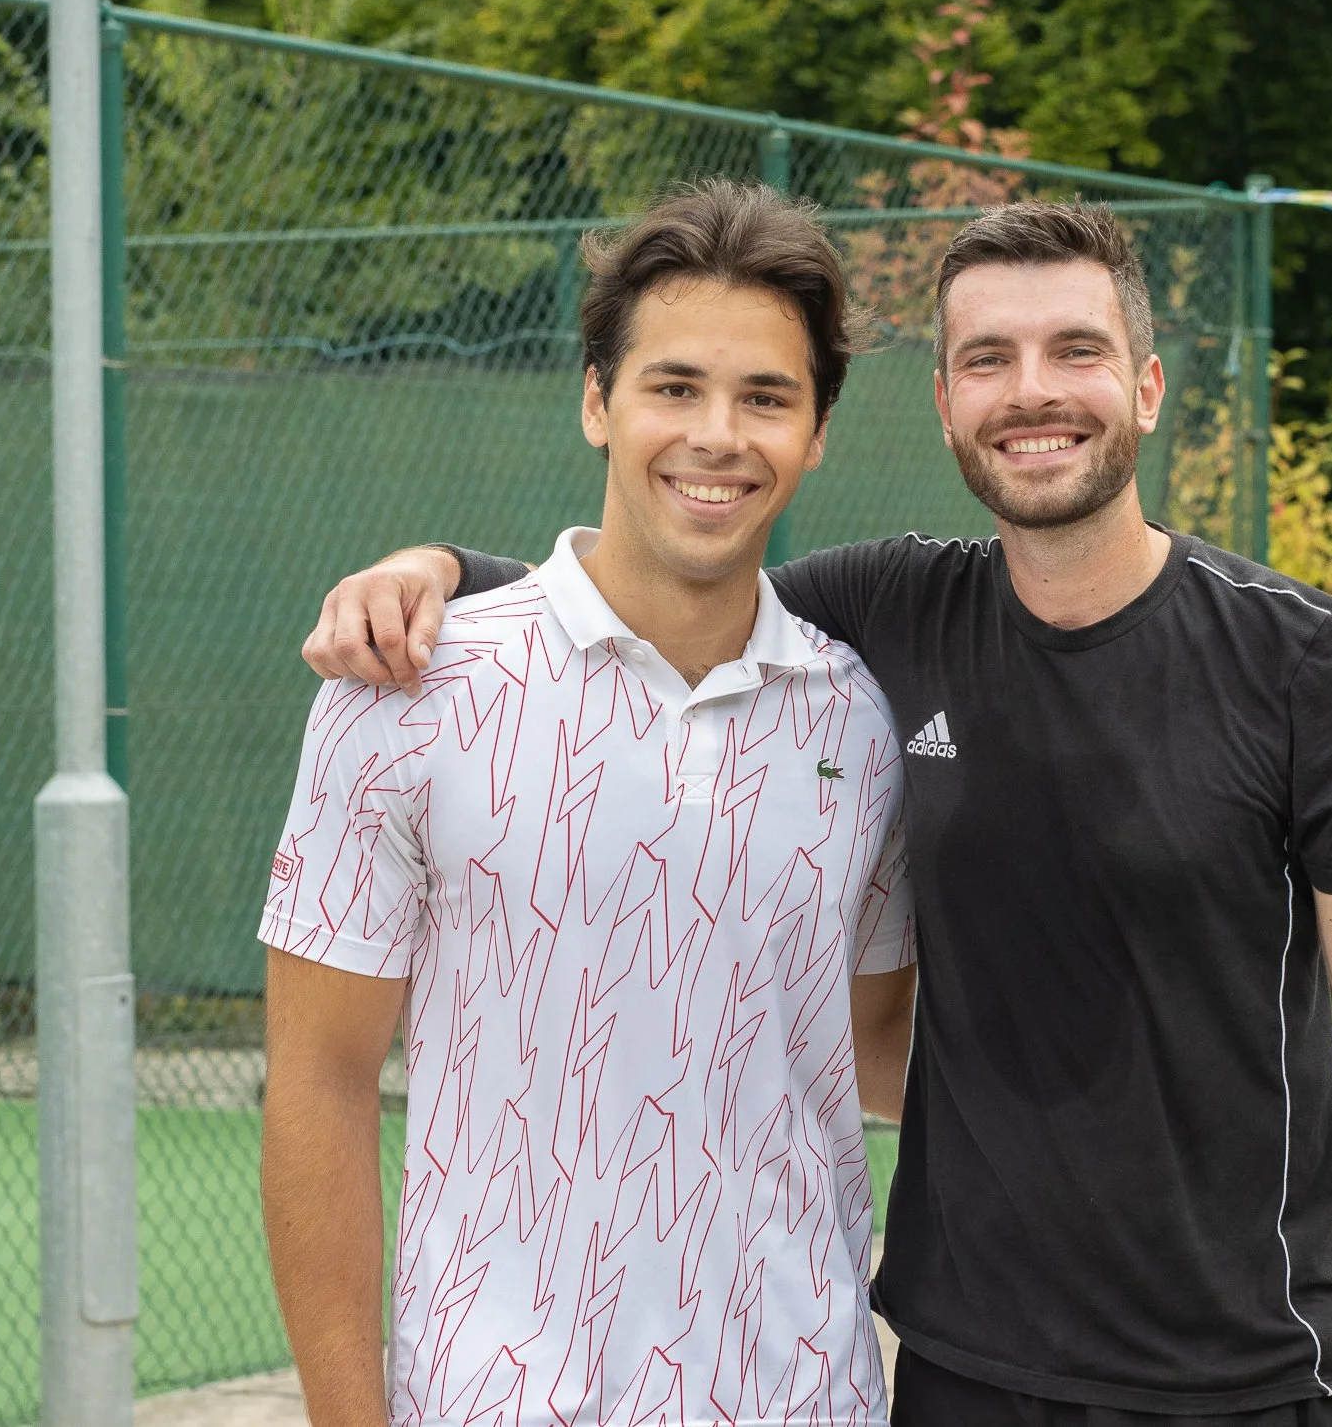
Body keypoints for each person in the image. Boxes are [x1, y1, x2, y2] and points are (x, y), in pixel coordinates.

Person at [304, 201, 1332, 1427]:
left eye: (1074, 351)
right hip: (961, 1373)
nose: (1031, 389)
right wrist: (435, 578)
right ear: (944, 407)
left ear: (1143, 388)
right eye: (989, 358)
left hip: (1250, 1369)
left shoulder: (1305, 663)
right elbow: (660, 577)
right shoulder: (892, 619)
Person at [259, 179, 920, 1427]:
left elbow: (878, 1047)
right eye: (674, 387)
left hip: (806, 1400)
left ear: (817, 431)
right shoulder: (406, 687)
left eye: (766, 398)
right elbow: (318, 1085)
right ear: (595, 402)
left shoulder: (862, 721)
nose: (717, 435)